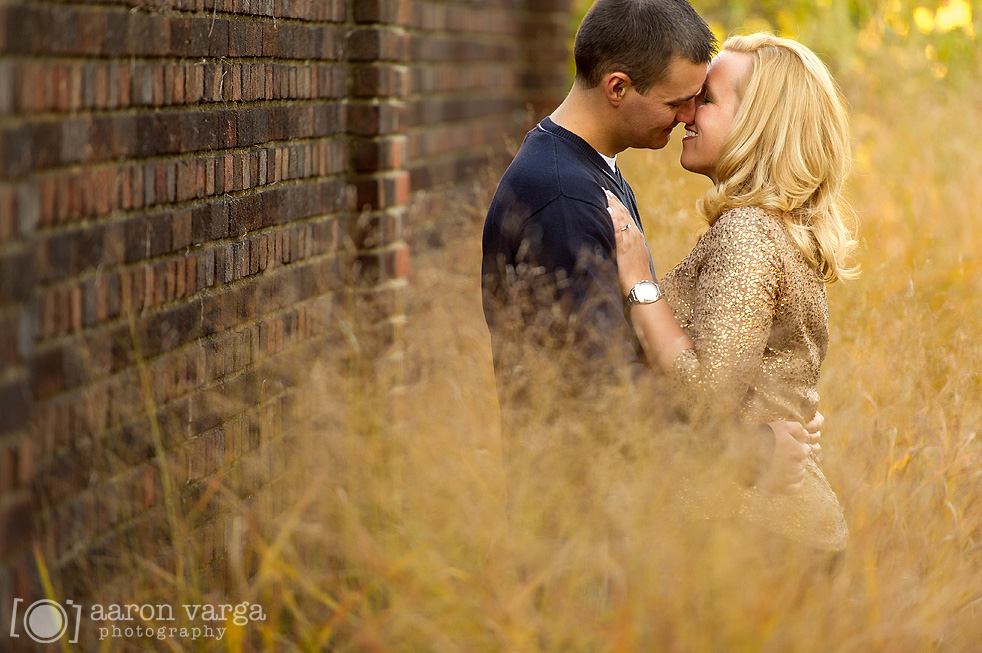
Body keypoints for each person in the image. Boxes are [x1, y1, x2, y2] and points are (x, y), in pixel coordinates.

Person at [481, 0, 818, 531]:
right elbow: (602, 395)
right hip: (576, 527)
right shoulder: (565, 197)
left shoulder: (594, 172)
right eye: (681, 100)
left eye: (700, 100)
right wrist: (752, 449)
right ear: (617, 88)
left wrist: (774, 394)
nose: (687, 115)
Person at [606, 33, 858, 550]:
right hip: (778, 528)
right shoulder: (781, 229)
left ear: (758, 127)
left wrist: (639, 284)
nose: (688, 114)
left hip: (749, 532)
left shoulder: (747, 231)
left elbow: (706, 396)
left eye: (708, 99)